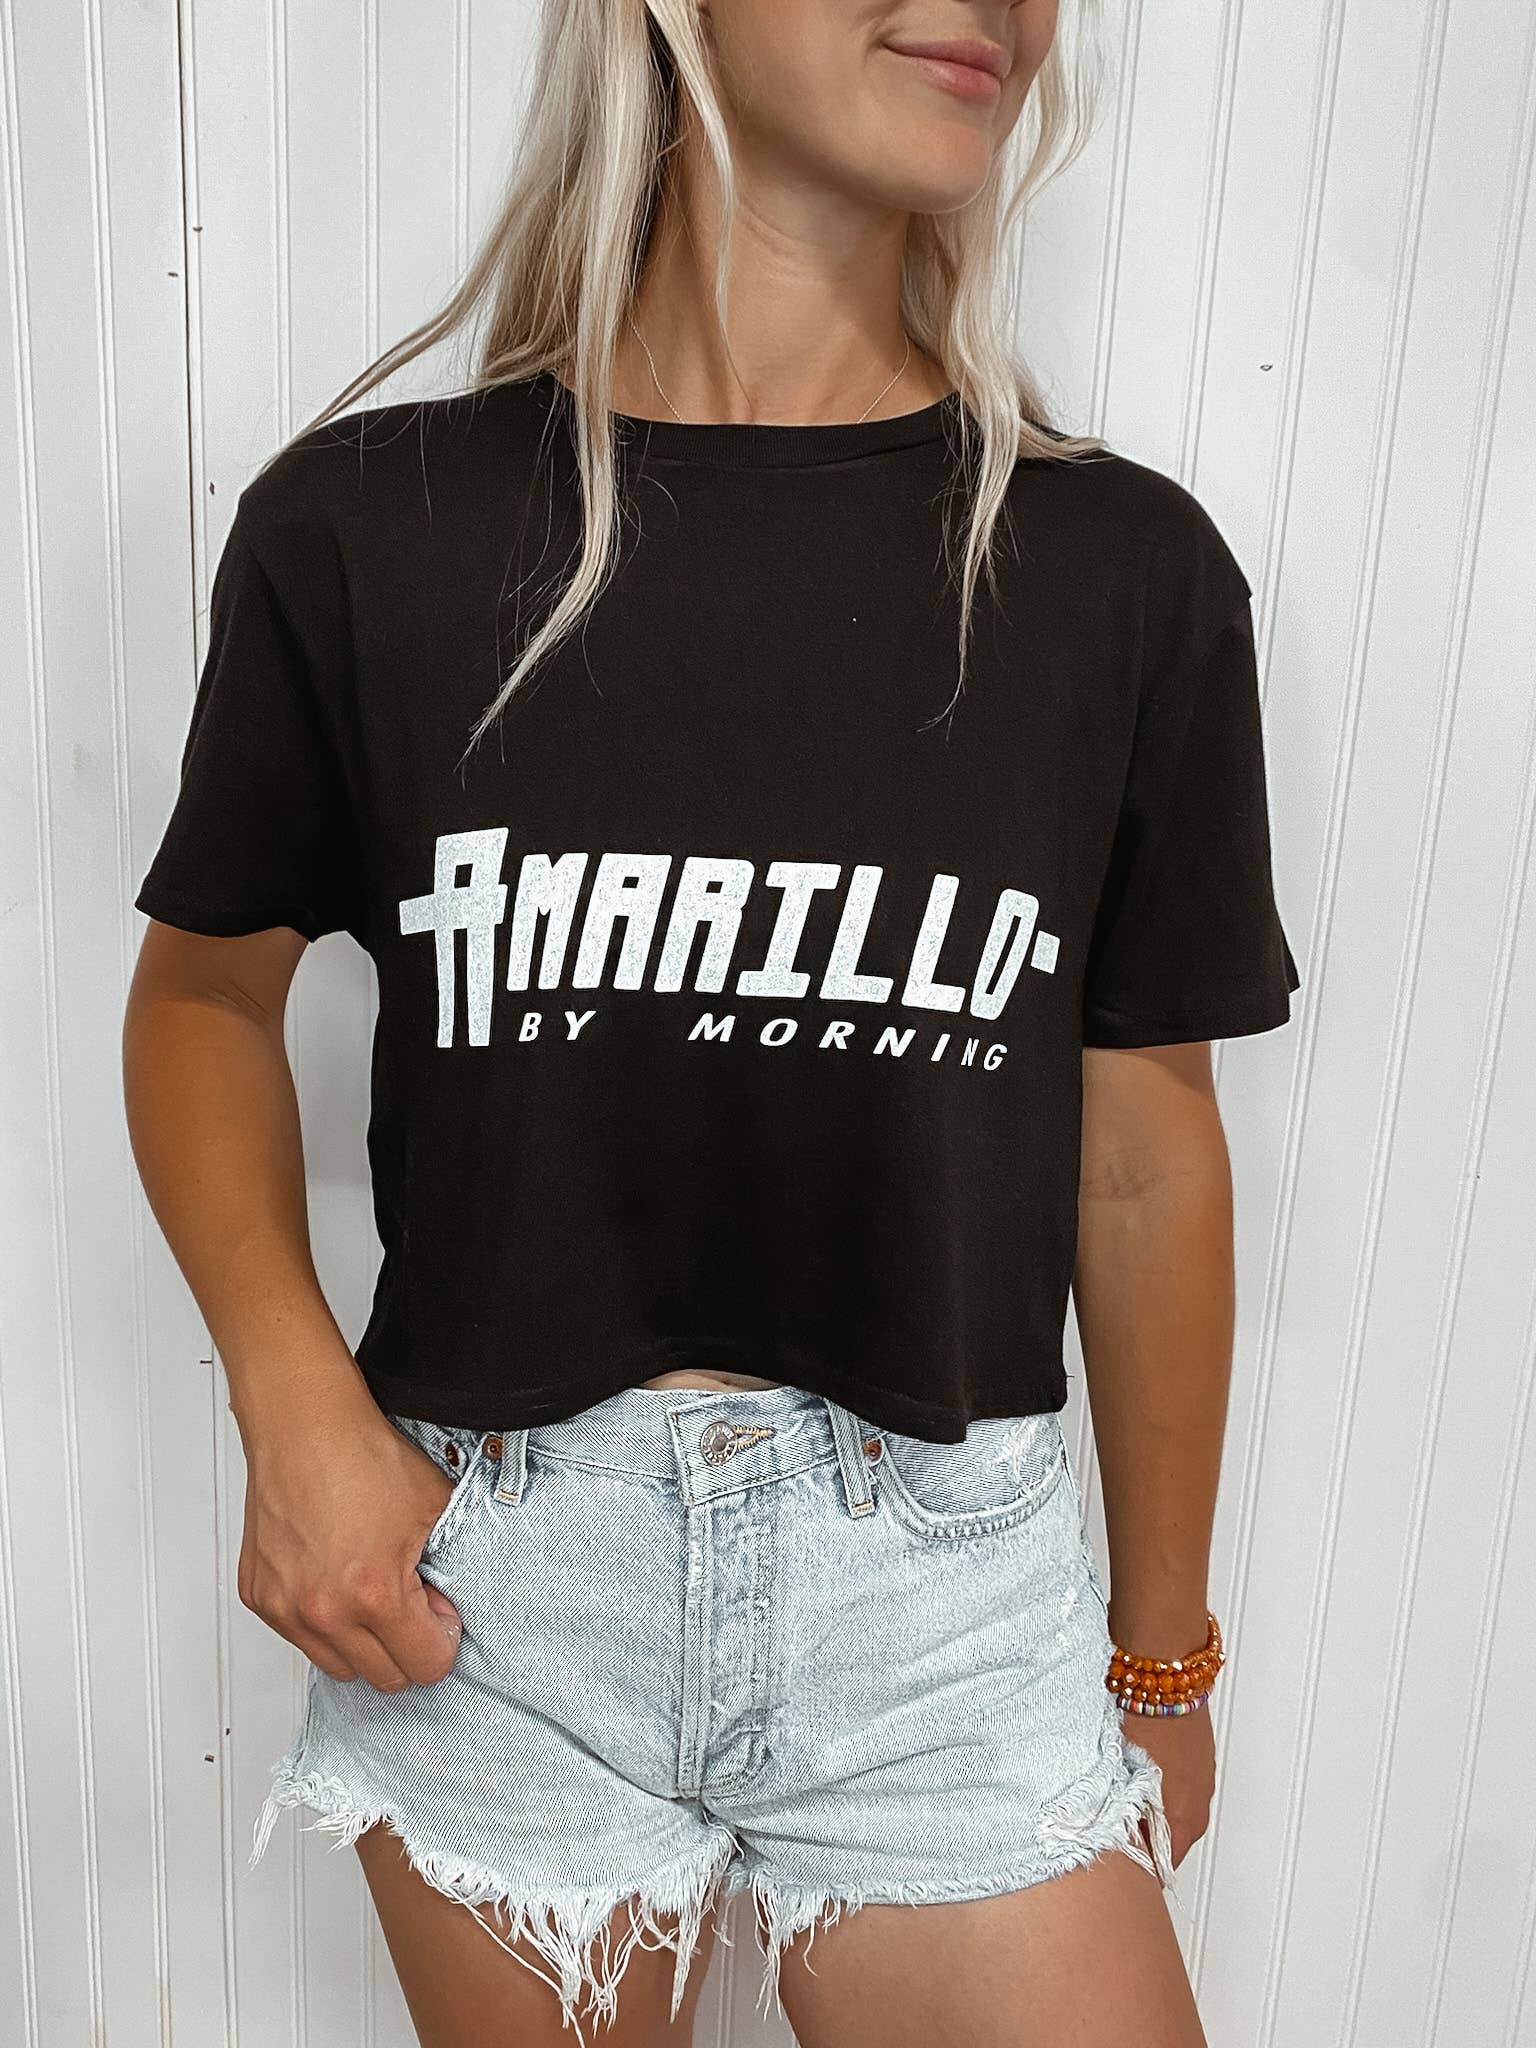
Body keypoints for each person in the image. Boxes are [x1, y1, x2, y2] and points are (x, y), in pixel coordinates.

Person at [122, 2, 1301, 2043]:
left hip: (948, 1599)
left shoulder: (1117, 575)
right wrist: (292, 1401)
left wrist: (1164, 1654)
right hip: (490, 1586)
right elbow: (206, 994)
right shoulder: (373, 526)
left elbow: (1141, 1143)